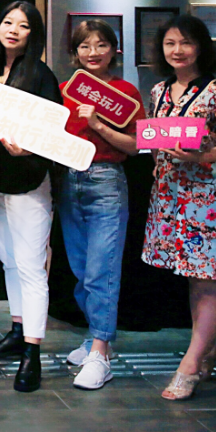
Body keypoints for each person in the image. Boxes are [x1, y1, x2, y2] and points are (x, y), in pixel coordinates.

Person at [142, 14, 216, 401]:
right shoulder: (158, 92)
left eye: (185, 42)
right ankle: (209, 349)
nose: (178, 50)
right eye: (170, 43)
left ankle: (189, 366)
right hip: (168, 194)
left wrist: (203, 155)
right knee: (191, 277)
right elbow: (154, 136)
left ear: (200, 46)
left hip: (205, 198)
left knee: (206, 279)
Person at [0, 0, 61, 392]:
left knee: (30, 266)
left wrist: (28, 148)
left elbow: (55, 131)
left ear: (33, 34)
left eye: (23, 25)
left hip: (28, 181)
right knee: (9, 261)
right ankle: (17, 329)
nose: (12, 29)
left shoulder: (41, 75)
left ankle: (33, 351)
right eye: (7, 21)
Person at [58, 20, 144, 390]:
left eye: (101, 45)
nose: (93, 53)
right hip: (68, 180)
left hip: (106, 180)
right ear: (75, 52)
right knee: (81, 271)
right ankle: (95, 336)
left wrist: (98, 124)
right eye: (85, 46)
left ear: (114, 50)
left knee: (101, 270)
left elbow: (136, 146)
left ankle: (101, 353)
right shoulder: (64, 90)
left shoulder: (126, 93)